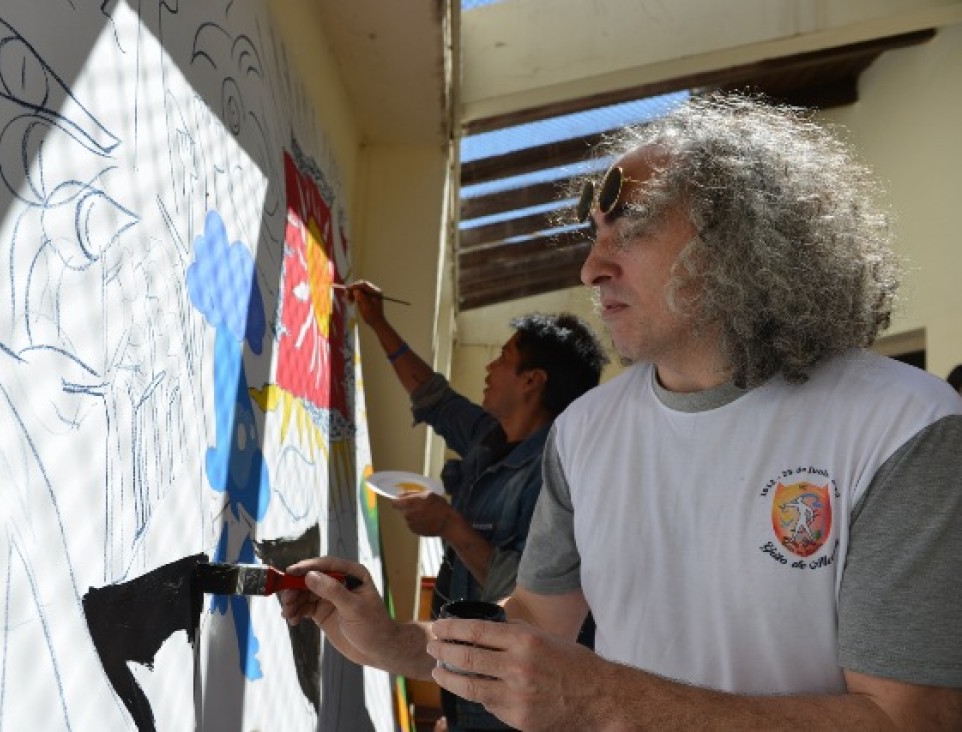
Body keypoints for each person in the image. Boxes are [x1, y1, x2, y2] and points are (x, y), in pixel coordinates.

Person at [283, 94, 962, 729]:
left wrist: (604, 697)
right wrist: (392, 641)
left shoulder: (902, 426)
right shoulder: (584, 431)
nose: (590, 269)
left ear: (741, 243)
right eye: (593, 232)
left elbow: (908, 717)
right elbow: (535, 622)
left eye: (629, 230)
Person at [342, 280, 606, 731]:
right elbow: (433, 397)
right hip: (460, 679)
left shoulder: (556, 481)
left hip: (508, 701)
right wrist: (376, 321)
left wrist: (450, 524)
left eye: (503, 357)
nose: (489, 366)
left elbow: (527, 598)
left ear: (532, 380)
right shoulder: (488, 437)